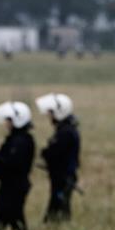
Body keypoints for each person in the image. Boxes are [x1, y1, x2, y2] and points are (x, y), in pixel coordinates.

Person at [0, 101, 36, 230]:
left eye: (8, 119)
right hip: (10, 183)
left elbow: (13, 163)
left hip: (15, 184)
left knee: (13, 214)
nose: (6, 123)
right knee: (7, 214)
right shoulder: (16, 139)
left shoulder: (21, 141)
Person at [35, 93, 80, 222]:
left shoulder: (65, 132)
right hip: (62, 176)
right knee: (59, 206)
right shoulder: (67, 129)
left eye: (51, 112)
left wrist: (46, 153)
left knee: (58, 209)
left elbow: (53, 153)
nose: (49, 115)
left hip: (63, 177)